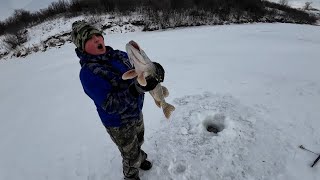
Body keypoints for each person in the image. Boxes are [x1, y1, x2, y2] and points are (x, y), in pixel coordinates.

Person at [71, 20, 165, 180]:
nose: (96, 39)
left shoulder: (119, 55)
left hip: (136, 111)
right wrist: (136, 89)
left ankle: (140, 157)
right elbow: (110, 104)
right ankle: (131, 175)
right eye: (89, 38)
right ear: (81, 45)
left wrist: (154, 70)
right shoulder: (88, 73)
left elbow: (139, 69)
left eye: (97, 35)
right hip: (118, 123)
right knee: (129, 154)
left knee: (139, 140)